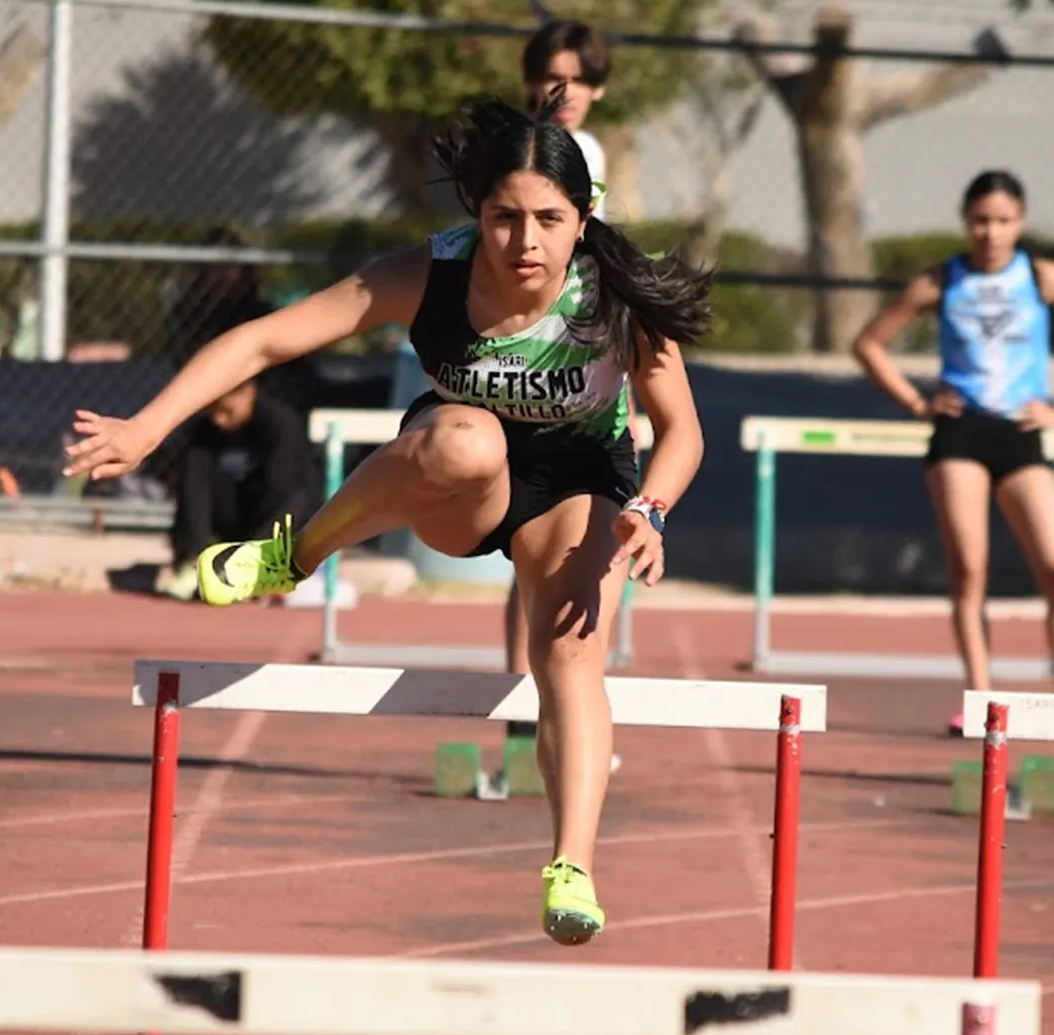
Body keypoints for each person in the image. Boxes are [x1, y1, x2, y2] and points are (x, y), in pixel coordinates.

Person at [63, 94, 713, 946]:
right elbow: (264, 342)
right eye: (503, 217)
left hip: (580, 482)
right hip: (459, 477)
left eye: (548, 220)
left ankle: (572, 864)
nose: (525, 242)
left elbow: (683, 432)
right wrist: (147, 427)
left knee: (572, 654)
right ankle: (296, 555)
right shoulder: (431, 272)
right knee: (469, 439)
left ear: (582, 217)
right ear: (475, 214)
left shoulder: (619, 291)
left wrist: (650, 511)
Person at [851, 170, 1054, 734]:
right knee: (970, 568)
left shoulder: (1043, 276)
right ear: (965, 221)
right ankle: (981, 698)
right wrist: (916, 402)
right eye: (981, 220)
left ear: (1020, 223)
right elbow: (869, 343)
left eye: (1003, 221)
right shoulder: (941, 279)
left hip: (1021, 433)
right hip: (959, 434)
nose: (991, 233)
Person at [500, 17, 619, 766]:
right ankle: (523, 701)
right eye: (551, 77)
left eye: (576, 79)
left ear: (597, 88)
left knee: (578, 555)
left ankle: (571, 704)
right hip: (516, 363)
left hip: (580, 368)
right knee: (525, 550)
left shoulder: (595, 156)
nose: (562, 92)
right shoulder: (513, 153)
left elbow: (599, 265)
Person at [155, 379, 322, 602]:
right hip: (228, 521)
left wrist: (253, 549)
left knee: (297, 496)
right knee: (194, 465)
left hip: (266, 521)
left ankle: (255, 565)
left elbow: (286, 489)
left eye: (226, 410)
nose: (218, 419)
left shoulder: (280, 425)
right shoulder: (202, 432)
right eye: (212, 410)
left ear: (248, 393)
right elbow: (191, 492)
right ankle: (195, 561)